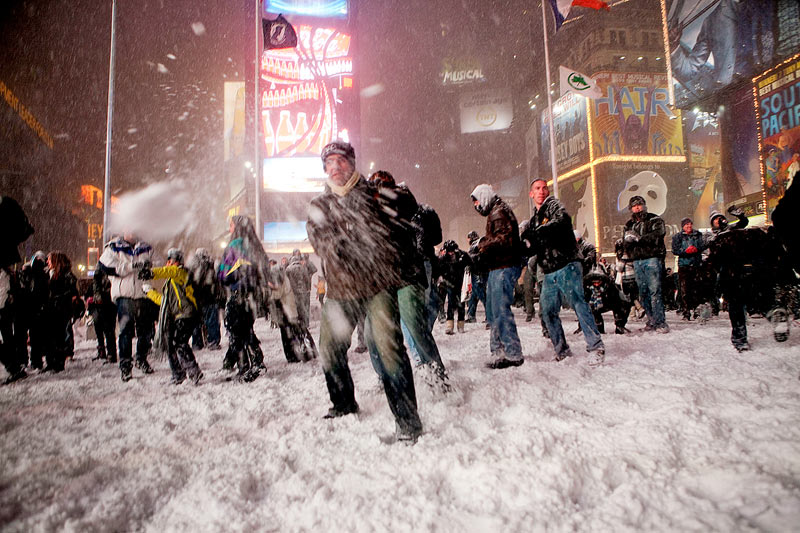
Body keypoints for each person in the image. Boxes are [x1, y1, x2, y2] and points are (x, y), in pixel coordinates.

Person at [307, 141, 423, 443]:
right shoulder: (320, 206)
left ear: (353, 163)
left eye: (341, 161)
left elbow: (409, 211)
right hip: (341, 290)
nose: (335, 168)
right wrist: (355, 242)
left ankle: (408, 422)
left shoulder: (373, 193)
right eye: (329, 163)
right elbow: (324, 244)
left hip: (377, 286)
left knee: (389, 350)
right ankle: (344, 403)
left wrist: (391, 192)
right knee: (330, 350)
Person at [369, 170, 449, 391]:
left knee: (413, 322)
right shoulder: (370, 210)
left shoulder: (405, 200)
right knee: (371, 334)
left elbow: (406, 204)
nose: (379, 187)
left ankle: (436, 375)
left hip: (408, 273)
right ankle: (385, 377)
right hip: (382, 279)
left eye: (383, 183)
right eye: (374, 184)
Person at [521, 178, 605, 365]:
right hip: (550, 271)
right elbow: (533, 247)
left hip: (567, 264)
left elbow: (562, 221)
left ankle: (596, 346)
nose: (541, 191)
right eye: (537, 188)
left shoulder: (554, 205)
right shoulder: (534, 219)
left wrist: (537, 233)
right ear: (531, 193)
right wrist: (523, 244)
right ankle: (562, 350)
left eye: (544, 188)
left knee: (578, 303)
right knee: (548, 312)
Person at [470, 184, 524, 369]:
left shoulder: (498, 213)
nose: (476, 206)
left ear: (484, 197)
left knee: (500, 310)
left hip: (504, 266)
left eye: (477, 201)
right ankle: (498, 351)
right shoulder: (497, 211)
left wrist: (483, 244)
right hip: (498, 267)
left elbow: (504, 240)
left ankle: (512, 352)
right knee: (494, 311)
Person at [98, 232, 156, 382]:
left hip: (143, 294)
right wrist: (132, 266)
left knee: (146, 330)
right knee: (126, 331)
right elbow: (107, 266)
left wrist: (149, 269)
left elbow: (157, 263)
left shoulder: (146, 246)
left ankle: (141, 359)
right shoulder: (113, 247)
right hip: (124, 295)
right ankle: (125, 365)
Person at [140, 248, 203, 385]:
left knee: (179, 341)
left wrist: (151, 273)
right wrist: (149, 293)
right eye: (168, 261)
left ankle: (193, 370)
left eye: (171, 261)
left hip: (187, 313)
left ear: (178, 262)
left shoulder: (181, 273)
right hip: (178, 315)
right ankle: (178, 373)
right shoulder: (169, 283)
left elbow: (169, 271)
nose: (168, 264)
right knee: (171, 344)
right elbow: (164, 302)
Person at [218, 216, 269, 383]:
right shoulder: (256, 246)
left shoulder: (235, 246)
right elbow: (264, 271)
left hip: (238, 294)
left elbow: (223, 275)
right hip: (253, 295)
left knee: (235, 332)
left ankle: (244, 367)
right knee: (247, 329)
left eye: (231, 224)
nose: (230, 228)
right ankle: (256, 360)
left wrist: (228, 274)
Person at [623, 195, 669, 333]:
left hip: (652, 258)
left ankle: (660, 322)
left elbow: (658, 234)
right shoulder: (629, 225)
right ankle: (651, 320)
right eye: (634, 205)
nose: (637, 207)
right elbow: (624, 240)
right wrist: (628, 245)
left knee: (655, 291)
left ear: (644, 205)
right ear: (631, 208)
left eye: (639, 204)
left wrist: (639, 239)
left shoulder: (654, 219)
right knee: (643, 293)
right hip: (637, 260)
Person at [0, 196, 33, 384]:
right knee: (6, 332)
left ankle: (14, 366)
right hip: (5, 275)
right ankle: (14, 365)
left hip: (3, 280)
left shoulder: (7, 205)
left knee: (7, 331)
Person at [43, 252, 79, 373]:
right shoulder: (47, 274)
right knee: (49, 336)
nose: (47, 262)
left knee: (58, 336)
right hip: (50, 309)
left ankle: (58, 363)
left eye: (49, 260)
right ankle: (50, 362)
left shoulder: (66, 275)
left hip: (61, 310)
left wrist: (59, 299)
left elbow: (71, 292)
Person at [18, 251, 50, 369]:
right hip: (35, 309)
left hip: (25, 308)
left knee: (23, 337)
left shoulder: (26, 273)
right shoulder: (42, 274)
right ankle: (35, 361)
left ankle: (24, 360)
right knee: (35, 337)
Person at [671, 218, 706, 320]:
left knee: (696, 289)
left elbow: (703, 245)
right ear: (683, 226)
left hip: (696, 265)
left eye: (690, 224)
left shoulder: (698, 235)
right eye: (686, 225)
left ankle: (696, 310)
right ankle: (686, 311)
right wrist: (685, 251)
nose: (689, 226)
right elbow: (675, 250)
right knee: (684, 290)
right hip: (684, 266)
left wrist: (697, 249)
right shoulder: (677, 237)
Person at [188, 248, 222, 351]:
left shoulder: (193, 265)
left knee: (196, 322)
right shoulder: (211, 265)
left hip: (196, 297)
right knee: (212, 320)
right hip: (209, 296)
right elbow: (216, 281)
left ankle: (197, 343)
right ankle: (213, 341)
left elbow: (191, 280)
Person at [438, 240, 470, 335]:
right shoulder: (444, 258)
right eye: (449, 252)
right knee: (451, 303)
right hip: (450, 283)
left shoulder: (463, 256)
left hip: (461, 283)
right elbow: (440, 268)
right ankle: (450, 325)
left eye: (452, 251)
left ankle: (460, 325)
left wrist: (468, 267)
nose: (451, 253)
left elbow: (471, 264)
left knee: (461, 304)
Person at [88, 267, 117, 363]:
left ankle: (111, 353)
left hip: (109, 301)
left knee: (108, 329)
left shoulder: (112, 267)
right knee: (101, 327)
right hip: (102, 302)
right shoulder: (100, 269)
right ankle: (104, 351)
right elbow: (95, 284)